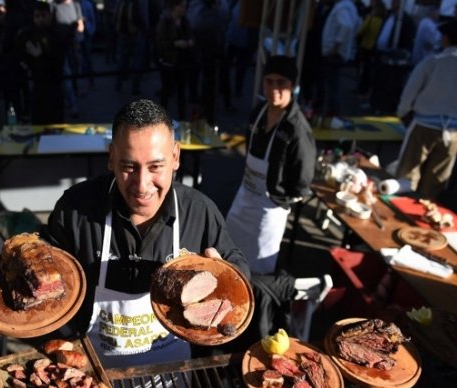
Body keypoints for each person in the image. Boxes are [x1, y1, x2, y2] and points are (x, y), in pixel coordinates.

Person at [43, 99, 250, 368]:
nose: (142, 186)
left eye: (155, 167)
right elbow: (47, 266)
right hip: (95, 371)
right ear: (111, 158)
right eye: (129, 166)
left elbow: (238, 271)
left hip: (172, 375)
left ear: (176, 157)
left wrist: (225, 276)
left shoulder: (199, 212)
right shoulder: (75, 208)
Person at [226, 56, 316, 275]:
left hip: (269, 210)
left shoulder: (297, 130)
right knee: (228, 256)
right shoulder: (258, 113)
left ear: (292, 86)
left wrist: (279, 198)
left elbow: (302, 182)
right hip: (244, 199)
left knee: (256, 272)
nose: (274, 89)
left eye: (281, 83)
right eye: (269, 81)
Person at [395, 20, 457, 200]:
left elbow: (410, 90)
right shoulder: (433, 61)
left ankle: (399, 213)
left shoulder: (433, 62)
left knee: (407, 176)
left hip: (424, 125)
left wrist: (402, 112)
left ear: (446, 38)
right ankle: (422, 217)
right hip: (453, 132)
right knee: (436, 182)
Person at [320, 0, 361, 117]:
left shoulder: (342, 8)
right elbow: (356, 25)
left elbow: (346, 26)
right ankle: (333, 113)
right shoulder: (350, 7)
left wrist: (336, 46)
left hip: (334, 54)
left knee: (332, 86)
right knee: (334, 84)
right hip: (338, 53)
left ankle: (331, 114)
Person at [155, 0, 194, 120]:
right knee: (166, 92)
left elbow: (191, 36)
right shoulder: (165, 21)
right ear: (174, 6)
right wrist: (175, 43)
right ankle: (160, 120)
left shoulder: (185, 21)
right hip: (168, 62)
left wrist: (190, 42)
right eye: (181, 6)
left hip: (182, 62)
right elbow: (160, 43)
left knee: (181, 92)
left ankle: (183, 119)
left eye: (185, 7)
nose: (183, 9)